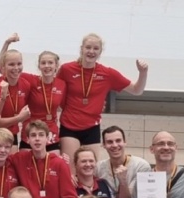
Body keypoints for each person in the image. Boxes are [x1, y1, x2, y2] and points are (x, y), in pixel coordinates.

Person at [57, 33, 148, 167]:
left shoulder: (107, 73)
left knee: (90, 169)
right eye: (88, 47)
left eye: (95, 48)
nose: (91, 51)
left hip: (92, 127)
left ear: (100, 52)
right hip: (69, 126)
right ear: (81, 49)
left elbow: (136, 90)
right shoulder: (67, 69)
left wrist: (143, 72)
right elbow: (55, 91)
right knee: (70, 171)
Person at [0, 33, 66, 154]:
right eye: (43, 63)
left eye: (50, 63)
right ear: (39, 65)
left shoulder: (62, 84)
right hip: (30, 133)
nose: (47, 66)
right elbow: (1, 68)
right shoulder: (30, 80)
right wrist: (7, 43)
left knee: (51, 169)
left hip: (51, 134)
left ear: (56, 66)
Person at [9, 120, 77, 198]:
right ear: (27, 140)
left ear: (48, 139)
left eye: (41, 135)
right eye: (33, 135)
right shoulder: (19, 159)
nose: (37, 139)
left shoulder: (59, 164)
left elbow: (72, 197)